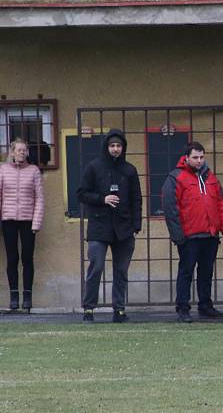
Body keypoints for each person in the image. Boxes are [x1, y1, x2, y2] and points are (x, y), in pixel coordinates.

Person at [163, 141, 223, 323]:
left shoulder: (211, 178)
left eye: (202, 157)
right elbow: (171, 208)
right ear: (186, 157)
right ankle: (183, 309)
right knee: (186, 272)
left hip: (210, 234)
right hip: (189, 235)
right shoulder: (176, 177)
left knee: (206, 272)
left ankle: (205, 306)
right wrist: (177, 234)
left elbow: (221, 204)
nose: (199, 161)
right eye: (195, 157)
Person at [77, 129, 142, 323]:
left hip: (124, 228)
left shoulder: (129, 170)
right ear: (107, 147)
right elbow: (81, 193)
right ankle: (89, 309)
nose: (115, 149)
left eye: (119, 146)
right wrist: (102, 198)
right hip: (99, 226)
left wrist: (136, 224)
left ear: (123, 148)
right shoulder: (94, 167)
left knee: (121, 271)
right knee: (96, 267)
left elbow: (136, 199)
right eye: (112, 146)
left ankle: (119, 310)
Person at [0, 139, 44, 311]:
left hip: (28, 220)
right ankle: (13, 297)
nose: (21, 153)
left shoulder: (33, 171)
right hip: (8, 220)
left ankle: (27, 297)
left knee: (27, 258)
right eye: (18, 150)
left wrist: (36, 222)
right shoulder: (3, 169)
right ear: (11, 152)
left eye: (24, 150)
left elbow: (39, 198)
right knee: (12, 258)